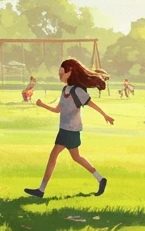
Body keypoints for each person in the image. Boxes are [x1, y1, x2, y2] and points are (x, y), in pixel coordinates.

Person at [24, 58, 114, 199]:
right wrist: (42, 105)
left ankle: (41, 190)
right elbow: (57, 110)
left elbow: (91, 104)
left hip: (71, 130)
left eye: (61, 73)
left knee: (58, 156)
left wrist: (105, 115)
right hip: (64, 129)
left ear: (70, 71)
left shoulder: (78, 91)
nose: (59, 76)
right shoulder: (65, 89)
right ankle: (100, 179)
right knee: (75, 157)